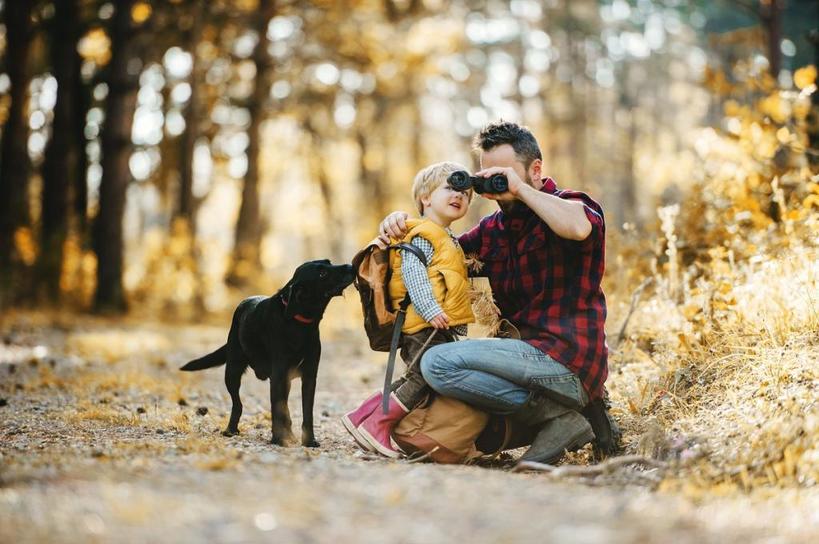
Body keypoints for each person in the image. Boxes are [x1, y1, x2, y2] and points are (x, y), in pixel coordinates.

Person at [378, 121, 615, 464]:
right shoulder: (493, 231)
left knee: (437, 363)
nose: (493, 183)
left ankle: (565, 414)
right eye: (485, 175)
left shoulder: (570, 204)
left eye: (502, 174)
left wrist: (520, 189)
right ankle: (561, 421)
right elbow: (440, 256)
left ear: (535, 169)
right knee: (459, 393)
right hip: (520, 361)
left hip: (569, 360)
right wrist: (405, 223)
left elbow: (578, 228)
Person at [342, 161, 476, 458]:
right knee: (423, 378)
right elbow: (413, 271)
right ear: (425, 198)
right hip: (423, 323)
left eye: (466, 194)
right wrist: (430, 310)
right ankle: (378, 425)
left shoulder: (446, 238)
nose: (459, 196)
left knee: (414, 375)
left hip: (433, 324)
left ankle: (362, 417)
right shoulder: (424, 234)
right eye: (451, 188)